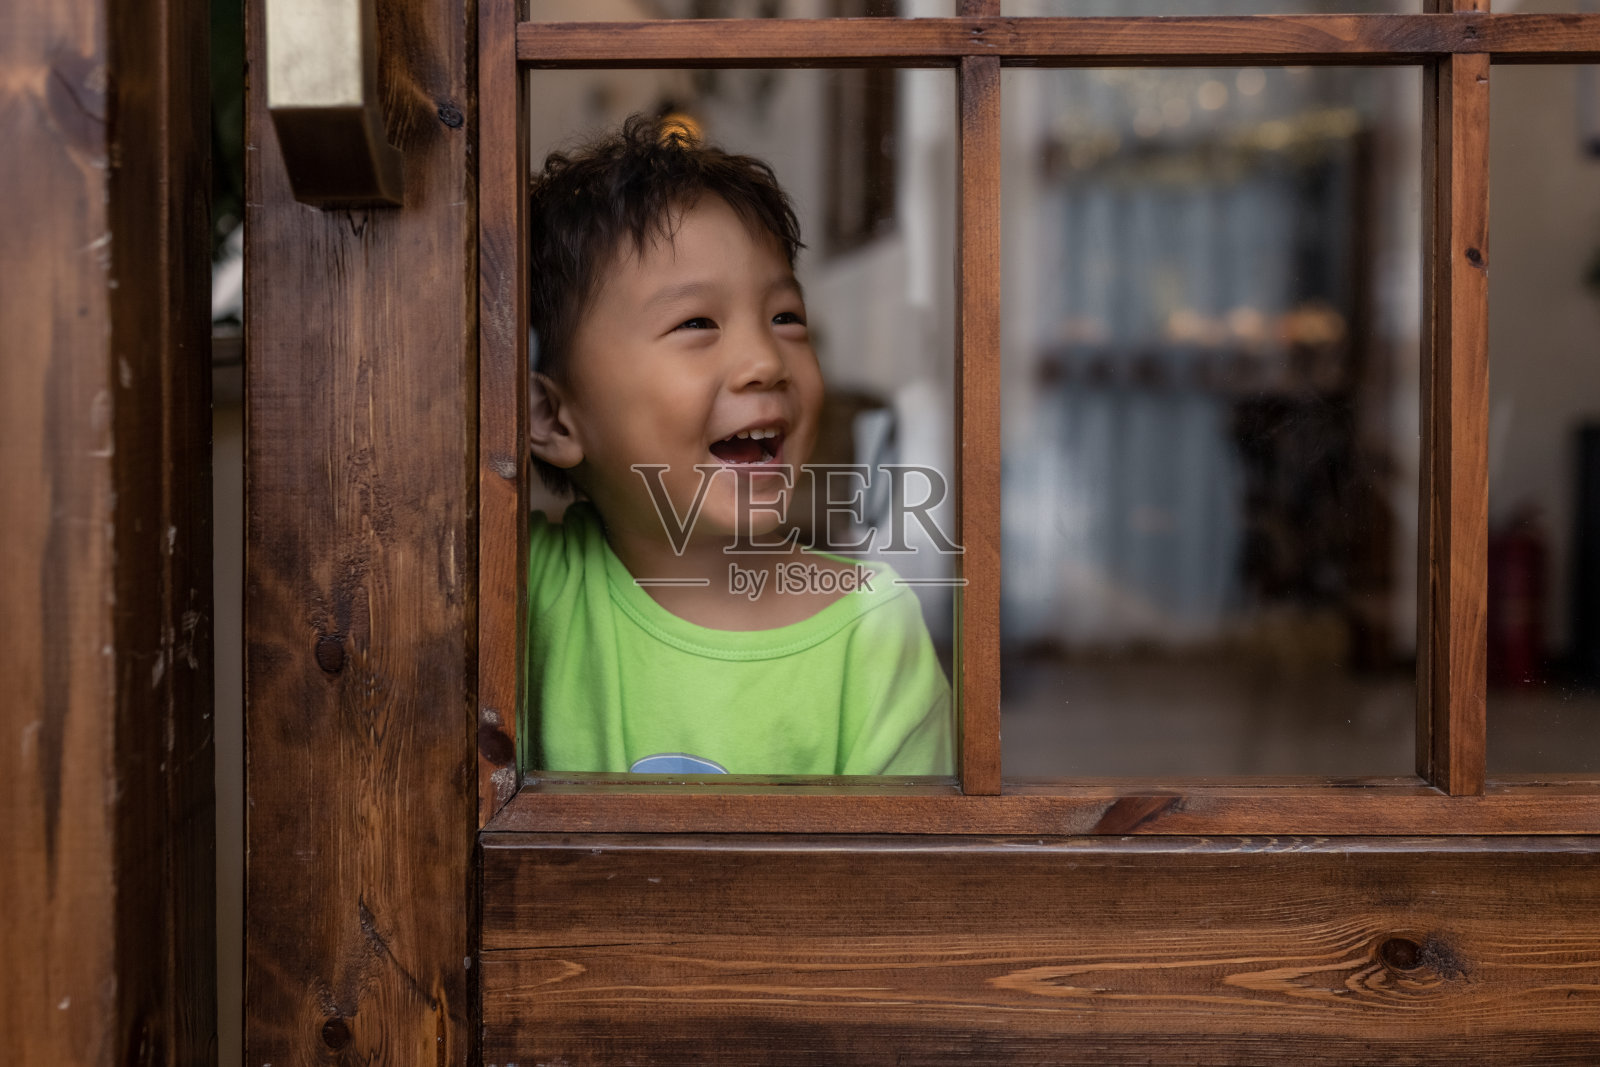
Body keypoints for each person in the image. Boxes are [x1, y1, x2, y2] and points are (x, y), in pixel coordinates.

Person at [524, 115, 952, 775]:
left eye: (787, 318)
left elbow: (906, 878)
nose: (765, 361)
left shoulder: (871, 631)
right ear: (553, 418)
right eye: (696, 322)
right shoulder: (525, 591)